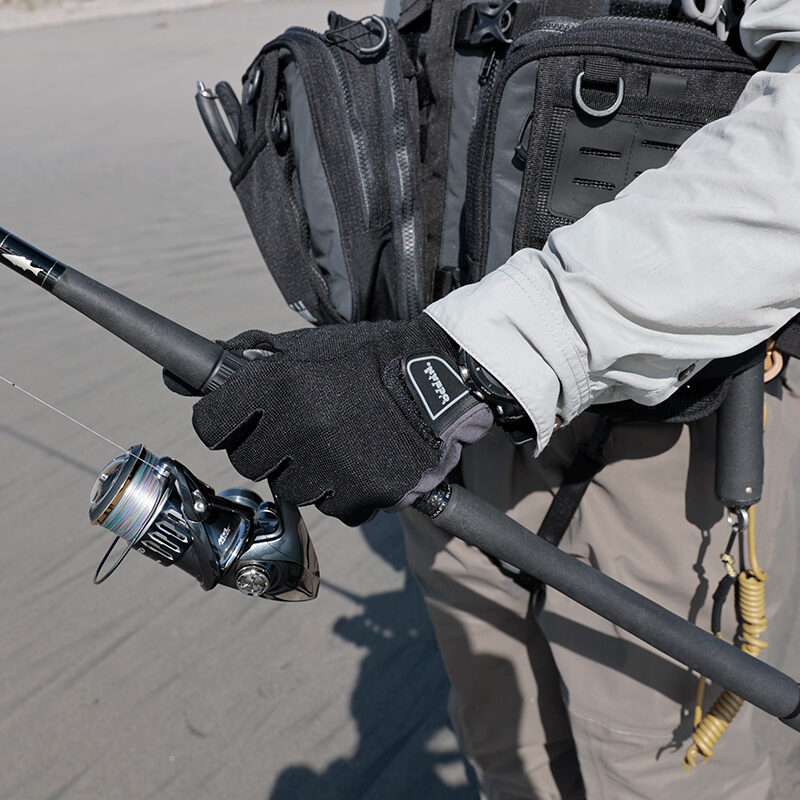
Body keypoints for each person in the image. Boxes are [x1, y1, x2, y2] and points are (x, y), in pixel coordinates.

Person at [174, 1, 800, 797]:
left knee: (658, 767)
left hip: (662, 428)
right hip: (431, 410)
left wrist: (464, 364)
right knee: (508, 749)